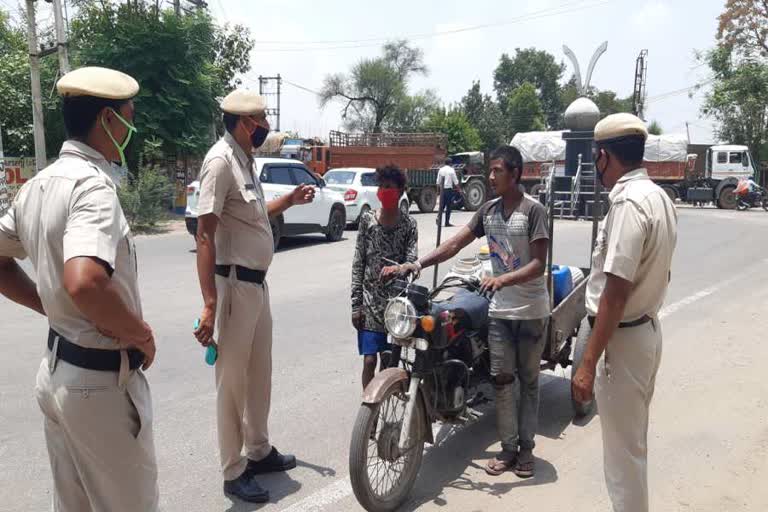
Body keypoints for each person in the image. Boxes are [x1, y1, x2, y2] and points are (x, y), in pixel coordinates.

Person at [0, 67, 159, 511]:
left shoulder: (37, 187)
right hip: (98, 386)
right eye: (129, 115)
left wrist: (49, 306)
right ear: (108, 120)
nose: (133, 124)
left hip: (57, 374)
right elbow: (85, 281)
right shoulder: (92, 187)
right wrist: (139, 334)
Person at [386, 146, 550, 478]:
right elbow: (455, 244)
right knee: (502, 381)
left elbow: (538, 264)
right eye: (489, 171)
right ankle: (508, 449)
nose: (490, 177)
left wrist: (502, 278)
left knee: (529, 382)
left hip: (531, 310)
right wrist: (416, 263)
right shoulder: (488, 211)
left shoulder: (534, 211)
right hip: (500, 311)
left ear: (515, 174)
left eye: (497, 171)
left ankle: (527, 450)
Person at [193, 89, 315, 503]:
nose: (265, 128)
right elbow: (205, 232)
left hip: (256, 287)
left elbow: (254, 217)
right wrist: (209, 303)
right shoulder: (220, 162)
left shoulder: (245, 161)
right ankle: (233, 469)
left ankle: (258, 450)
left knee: (259, 373)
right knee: (231, 383)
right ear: (246, 123)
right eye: (261, 121)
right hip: (233, 288)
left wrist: (291, 199)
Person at [572, 113, 677, 512]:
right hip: (645, 332)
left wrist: (587, 362)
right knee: (632, 448)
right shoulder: (658, 197)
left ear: (603, 156)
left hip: (623, 341)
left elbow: (615, 292)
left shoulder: (630, 203)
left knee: (622, 461)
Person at [351, 165, 418, 389]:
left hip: (395, 307)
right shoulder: (368, 220)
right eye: (381, 186)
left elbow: (412, 261)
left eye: (389, 187)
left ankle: (379, 411)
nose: (384, 191)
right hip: (370, 304)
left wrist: (400, 268)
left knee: (387, 362)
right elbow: (358, 262)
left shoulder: (409, 225)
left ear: (400, 191)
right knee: (369, 360)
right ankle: (368, 415)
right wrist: (355, 304)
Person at [437, 157, 460, 227]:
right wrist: (459, 190)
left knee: (442, 206)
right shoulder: (451, 170)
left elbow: (438, 182)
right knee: (449, 206)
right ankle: (447, 222)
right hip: (449, 190)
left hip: (442, 190)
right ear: (450, 163)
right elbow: (456, 182)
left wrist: (438, 192)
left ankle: (439, 219)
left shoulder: (441, 170)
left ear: (445, 163)